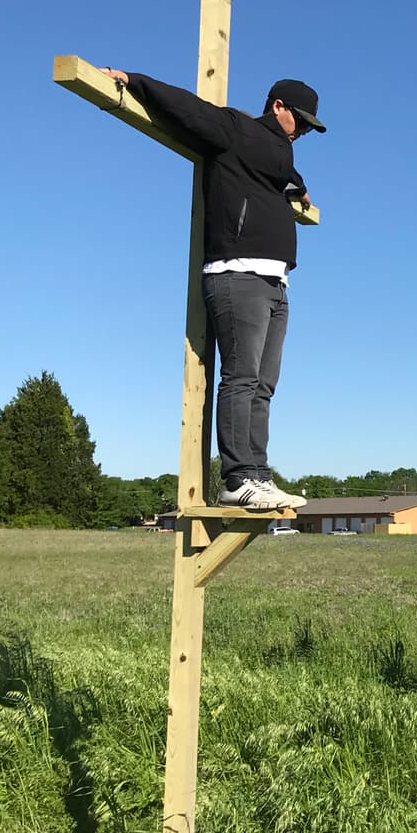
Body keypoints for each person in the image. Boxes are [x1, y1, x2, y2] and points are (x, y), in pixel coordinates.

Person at [100, 67, 326, 510]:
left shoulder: (276, 157)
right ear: (277, 106)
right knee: (241, 378)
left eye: (309, 127)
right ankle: (237, 478)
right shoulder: (236, 128)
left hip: (275, 283)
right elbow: (188, 108)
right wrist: (135, 81)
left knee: (263, 385)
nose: (302, 131)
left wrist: (298, 188)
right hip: (237, 274)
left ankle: (258, 475)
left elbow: (280, 171)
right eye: (299, 120)